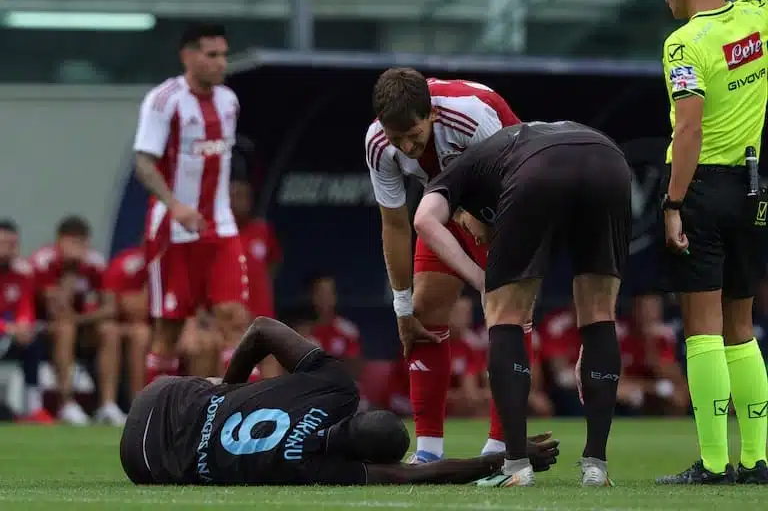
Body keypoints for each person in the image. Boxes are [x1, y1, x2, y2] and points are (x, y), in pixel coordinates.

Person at [413, 121, 631, 487]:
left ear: (467, 208)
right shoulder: (497, 155)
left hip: (540, 168)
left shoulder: (458, 174)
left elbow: (423, 219)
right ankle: (596, 466)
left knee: (505, 315)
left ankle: (514, 466)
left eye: (466, 226)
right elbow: (601, 312)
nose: (471, 233)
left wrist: (481, 281)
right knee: (599, 315)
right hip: (610, 161)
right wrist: (594, 348)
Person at [119, 316, 560, 486]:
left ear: (361, 414)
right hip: (148, 464)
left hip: (160, 398)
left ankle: (220, 389)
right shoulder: (320, 468)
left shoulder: (337, 386)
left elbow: (259, 330)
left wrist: (227, 389)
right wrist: (506, 461)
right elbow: (421, 475)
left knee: (230, 382)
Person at [366, 67, 521, 463]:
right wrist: (401, 309)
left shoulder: (470, 114)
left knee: (508, 316)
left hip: (512, 201)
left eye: (413, 135)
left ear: (431, 114)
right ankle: (428, 451)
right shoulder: (379, 143)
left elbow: (518, 187)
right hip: (448, 206)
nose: (405, 146)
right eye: (395, 137)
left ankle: (503, 447)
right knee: (421, 314)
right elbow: (395, 226)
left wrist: (476, 213)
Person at [656, 0, 768, 484]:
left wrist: (673, 203)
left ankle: (716, 464)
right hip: (753, 186)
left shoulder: (684, 43)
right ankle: (757, 461)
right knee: (742, 327)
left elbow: (689, 127)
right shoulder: (757, 17)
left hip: (701, 188)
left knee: (703, 329)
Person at [133, 23, 249, 386]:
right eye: (211, 55)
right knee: (168, 328)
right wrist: (174, 205)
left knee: (234, 317)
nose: (220, 63)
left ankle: (240, 413)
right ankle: (153, 420)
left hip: (221, 226)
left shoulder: (229, 102)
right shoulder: (164, 100)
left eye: (224, 55)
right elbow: (143, 162)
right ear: (188, 56)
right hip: (174, 230)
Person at [31, 216, 125, 426]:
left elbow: (110, 308)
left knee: (109, 330)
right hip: (43, 331)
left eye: (82, 243)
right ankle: (67, 404)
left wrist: (82, 319)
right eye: (72, 243)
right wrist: (71, 271)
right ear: (59, 242)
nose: (78, 248)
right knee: (65, 328)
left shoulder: (94, 262)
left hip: (79, 326)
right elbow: (57, 311)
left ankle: (108, 405)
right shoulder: (44, 261)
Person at [230, 173, 282, 378]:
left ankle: (274, 409)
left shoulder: (262, 230)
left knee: (272, 358)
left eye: (245, 196)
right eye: (236, 196)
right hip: (232, 320)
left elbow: (274, 262)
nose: (241, 201)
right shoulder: (222, 235)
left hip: (263, 316)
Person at [0, 220, 51, 423]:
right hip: (4, 332)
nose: (7, 249)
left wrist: (23, 325)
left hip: (11, 336)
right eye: (3, 243)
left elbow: (25, 306)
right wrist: (7, 328)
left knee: (32, 344)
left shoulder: (23, 273)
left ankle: (34, 408)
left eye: (12, 244)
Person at [103, 246, 151, 403]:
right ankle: (133, 405)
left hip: (172, 327)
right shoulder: (128, 263)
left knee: (203, 341)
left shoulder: (185, 261)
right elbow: (129, 307)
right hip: (135, 326)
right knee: (138, 334)